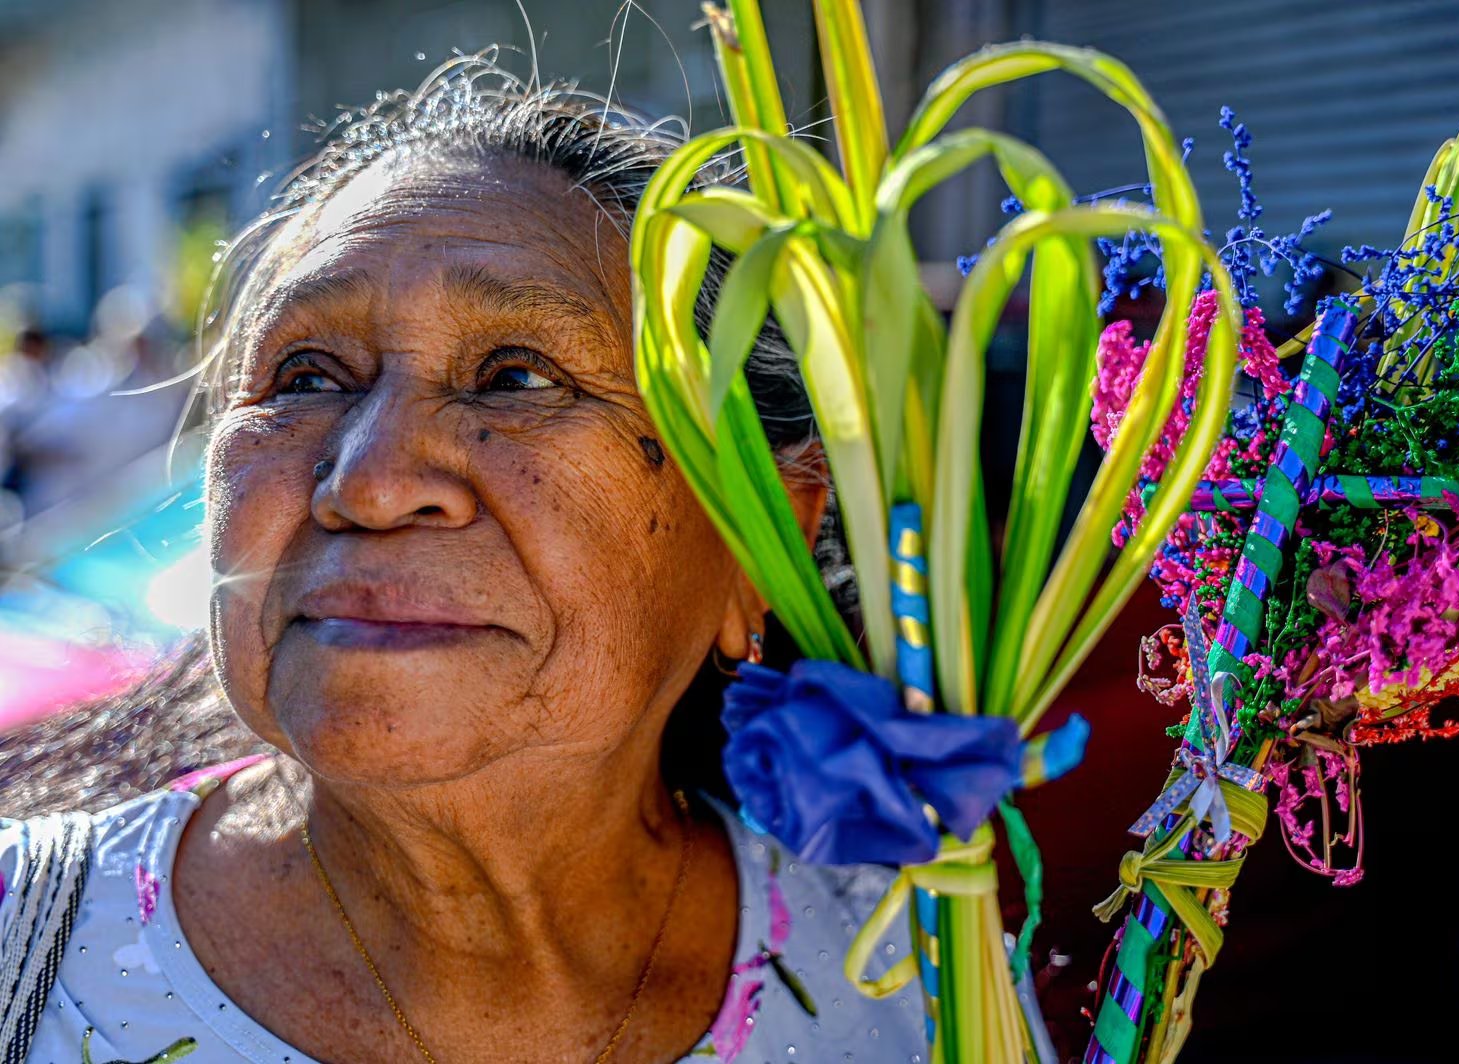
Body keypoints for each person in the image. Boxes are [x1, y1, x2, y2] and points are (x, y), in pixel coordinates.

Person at [0, 59, 1051, 1063]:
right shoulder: (28, 953)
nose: (366, 482)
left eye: (514, 377)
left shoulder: (913, 985)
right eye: (307, 373)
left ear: (755, 537)